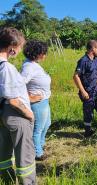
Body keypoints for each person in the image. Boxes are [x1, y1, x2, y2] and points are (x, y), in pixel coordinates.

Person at [0, 27, 36, 185]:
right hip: (16, 115)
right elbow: (13, 99)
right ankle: (27, 182)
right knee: (25, 156)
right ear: (11, 48)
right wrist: (28, 114)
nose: (20, 50)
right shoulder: (7, 68)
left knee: (4, 153)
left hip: (3, 114)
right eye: (20, 47)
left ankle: (6, 180)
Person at [73, 40, 97, 137]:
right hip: (88, 92)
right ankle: (87, 132)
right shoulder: (83, 61)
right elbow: (76, 76)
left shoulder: (95, 60)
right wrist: (83, 92)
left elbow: (95, 76)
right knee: (88, 113)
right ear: (93, 48)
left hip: (96, 91)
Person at [21, 40, 51, 161]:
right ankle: (37, 153)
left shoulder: (33, 64)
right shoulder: (28, 67)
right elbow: (18, 85)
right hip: (37, 104)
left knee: (46, 124)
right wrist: (29, 98)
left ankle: (40, 145)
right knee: (38, 128)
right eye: (44, 52)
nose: (45, 55)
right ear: (37, 53)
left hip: (43, 101)